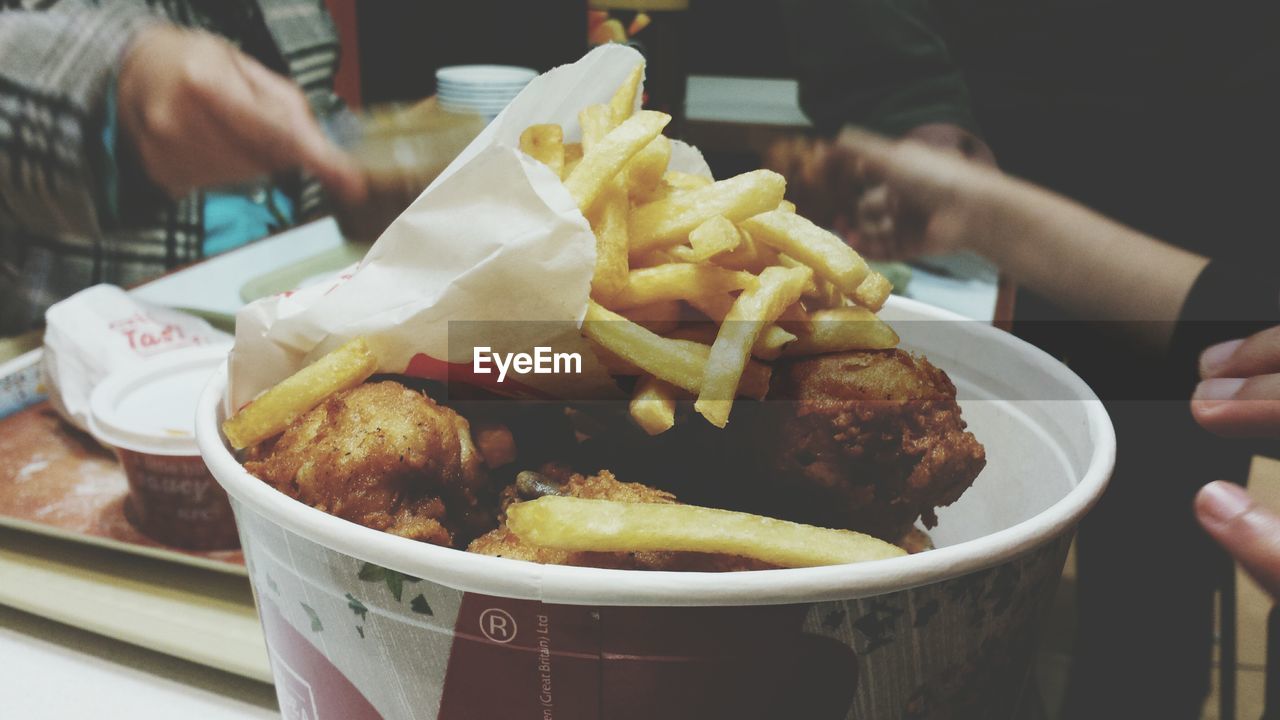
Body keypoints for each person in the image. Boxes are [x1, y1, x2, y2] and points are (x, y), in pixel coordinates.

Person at [835, 127, 1280, 715]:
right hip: (1037, 179)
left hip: (1212, 168)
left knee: (1150, 603)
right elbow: (1242, 313)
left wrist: (974, 207)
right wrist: (973, 206)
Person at [0, 2, 366, 336]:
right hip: (93, 359)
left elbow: (319, 116)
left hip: (290, 321)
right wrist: (129, 85)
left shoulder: (294, 11)